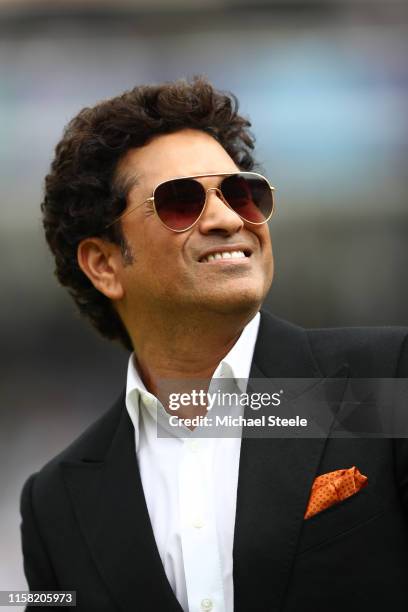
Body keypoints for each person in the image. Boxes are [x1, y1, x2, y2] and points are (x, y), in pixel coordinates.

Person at [20, 76, 408, 612]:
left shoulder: (387, 380)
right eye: (181, 202)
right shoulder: (55, 502)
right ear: (105, 264)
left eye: (243, 194)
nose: (229, 219)